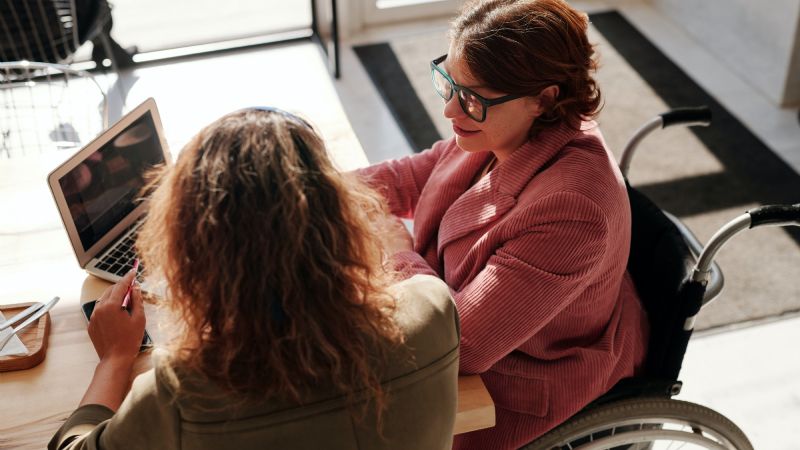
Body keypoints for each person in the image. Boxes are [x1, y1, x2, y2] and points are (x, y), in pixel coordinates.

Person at [49, 108, 460, 450]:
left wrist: (115, 359)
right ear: (343, 219)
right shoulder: (434, 308)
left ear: (192, 253)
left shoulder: (182, 391)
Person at [357, 0, 649, 448]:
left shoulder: (572, 209)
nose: (450, 111)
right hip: (469, 326)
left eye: (470, 98)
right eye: (448, 83)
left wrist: (396, 246)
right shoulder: (500, 124)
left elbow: (465, 345)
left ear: (544, 98)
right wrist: (306, 190)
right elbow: (413, 176)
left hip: (517, 384)